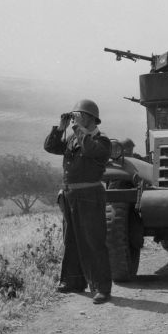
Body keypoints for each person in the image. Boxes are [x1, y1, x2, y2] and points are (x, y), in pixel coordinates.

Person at [43, 99, 112, 304]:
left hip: (90, 196)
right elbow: (51, 147)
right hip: (70, 196)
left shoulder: (101, 140)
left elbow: (90, 150)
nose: (75, 118)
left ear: (90, 118)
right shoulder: (74, 137)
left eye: (79, 115)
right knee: (71, 240)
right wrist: (60, 129)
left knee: (93, 241)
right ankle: (73, 282)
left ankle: (102, 288)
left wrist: (78, 129)